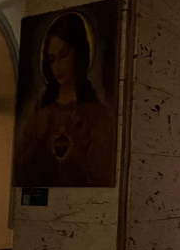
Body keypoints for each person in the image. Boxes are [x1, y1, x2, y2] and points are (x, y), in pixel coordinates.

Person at [15, 12, 114, 187]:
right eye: (52, 60)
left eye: (64, 55)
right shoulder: (40, 109)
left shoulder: (96, 113)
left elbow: (104, 178)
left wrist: (85, 142)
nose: (58, 67)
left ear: (79, 53)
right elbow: (21, 176)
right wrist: (38, 138)